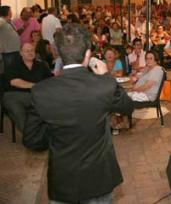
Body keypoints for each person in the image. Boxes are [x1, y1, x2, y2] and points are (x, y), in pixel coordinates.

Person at [23, 23, 133, 204]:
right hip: (98, 176)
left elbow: (32, 139)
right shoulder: (104, 84)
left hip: (63, 177)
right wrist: (106, 76)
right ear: (88, 54)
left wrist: (58, 136)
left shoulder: (41, 91)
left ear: (57, 52)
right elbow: (127, 107)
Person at [2, 43, 51, 132]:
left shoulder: (42, 65)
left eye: (32, 50)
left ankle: (48, 132)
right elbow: (15, 82)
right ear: (21, 53)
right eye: (27, 51)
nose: (30, 53)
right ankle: (30, 134)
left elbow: (50, 81)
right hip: (15, 94)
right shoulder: (14, 65)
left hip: (37, 95)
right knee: (14, 104)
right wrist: (36, 86)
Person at [0, 6, 21, 75]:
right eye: (10, 10)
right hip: (8, 51)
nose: (11, 12)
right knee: (9, 69)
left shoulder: (9, 21)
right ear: (8, 12)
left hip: (14, 50)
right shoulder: (1, 20)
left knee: (14, 68)